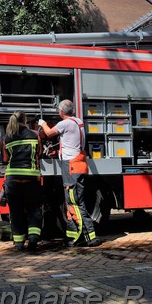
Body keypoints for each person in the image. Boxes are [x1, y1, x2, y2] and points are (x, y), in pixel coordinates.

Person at [39, 99, 102, 247]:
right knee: (71, 203)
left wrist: (42, 123)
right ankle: (72, 238)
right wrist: (58, 152)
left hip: (71, 167)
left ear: (61, 112)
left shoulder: (64, 123)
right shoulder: (78, 121)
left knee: (75, 202)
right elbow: (71, 142)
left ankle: (90, 237)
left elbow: (48, 133)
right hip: (78, 163)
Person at [2, 111, 43, 251]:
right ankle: (33, 241)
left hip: (12, 178)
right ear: (25, 120)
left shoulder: (7, 138)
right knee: (34, 210)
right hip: (30, 177)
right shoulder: (34, 135)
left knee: (15, 211)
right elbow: (40, 153)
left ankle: (19, 243)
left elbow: (5, 159)